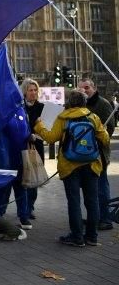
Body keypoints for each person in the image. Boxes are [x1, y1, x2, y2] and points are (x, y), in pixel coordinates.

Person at [34, 89, 109, 246]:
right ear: (84, 102)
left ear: (69, 103)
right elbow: (105, 139)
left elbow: (50, 137)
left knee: (74, 202)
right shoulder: (93, 117)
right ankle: (92, 237)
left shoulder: (63, 118)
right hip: (91, 165)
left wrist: (39, 125)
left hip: (70, 166)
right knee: (92, 201)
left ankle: (77, 237)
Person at [78, 78, 115, 231]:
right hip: (84, 154)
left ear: (93, 87)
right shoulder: (81, 104)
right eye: (81, 89)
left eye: (87, 87)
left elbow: (110, 129)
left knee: (101, 188)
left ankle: (105, 219)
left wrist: (93, 140)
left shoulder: (103, 104)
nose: (84, 90)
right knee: (90, 189)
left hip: (98, 153)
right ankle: (95, 217)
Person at [22, 78, 44, 221]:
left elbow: (47, 129)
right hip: (21, 146)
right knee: (22, 180)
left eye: (35, 90)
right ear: (25, 92)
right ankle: (22, 208)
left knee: (33, 181)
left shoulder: (42, 107)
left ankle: (29, 208)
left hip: (37, 147)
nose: (34, 93)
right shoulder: (19, 107)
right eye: (31, 90)